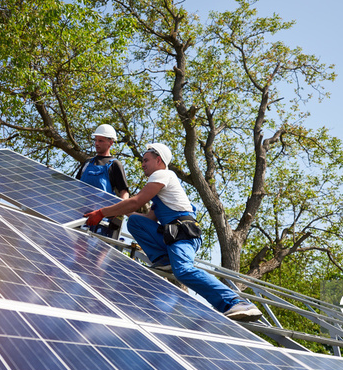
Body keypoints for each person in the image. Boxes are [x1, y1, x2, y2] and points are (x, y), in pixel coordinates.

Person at [83, 143, 263, 322]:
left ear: (159, 160)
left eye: (146, 160)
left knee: (183, 270)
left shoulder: (163, 175)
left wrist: (102, 212)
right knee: (136, 222)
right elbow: (148, 219)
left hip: (183, 235)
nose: (142, 164)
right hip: (172, 235)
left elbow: (134, 202)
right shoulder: (161, 189)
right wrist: (116, 209)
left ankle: (237, 302)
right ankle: (164, 260)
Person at [76, 124, 129, 237]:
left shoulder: (114, 164)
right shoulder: (87, 163)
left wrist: (117, 213)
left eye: (100, 140)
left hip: (103, 220)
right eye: (95, 140)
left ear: (111, 143)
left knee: (98, 253)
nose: (96, 143)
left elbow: (124, 193)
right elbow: (74, 187)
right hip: (81, 217)